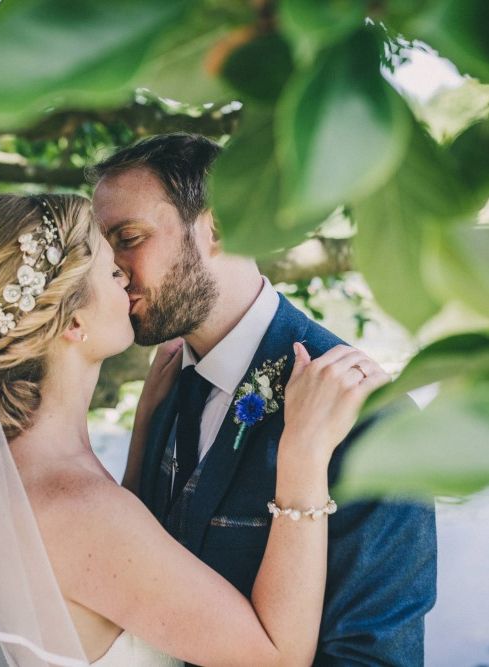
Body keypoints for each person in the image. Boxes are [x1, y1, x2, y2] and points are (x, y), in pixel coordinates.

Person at [0, 192, 388, 667]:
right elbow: (277, 657)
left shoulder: (7, 467)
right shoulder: (75, 504)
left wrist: (140, 443)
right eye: (112, 269)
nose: (131, 284)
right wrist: (304, 458)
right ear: (74, 322)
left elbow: (99, 584)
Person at [90, 134, 438, 666]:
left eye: (128, 237)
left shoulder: (373, 420)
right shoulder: (165, 388)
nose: (111, 268)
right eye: (102, 246)